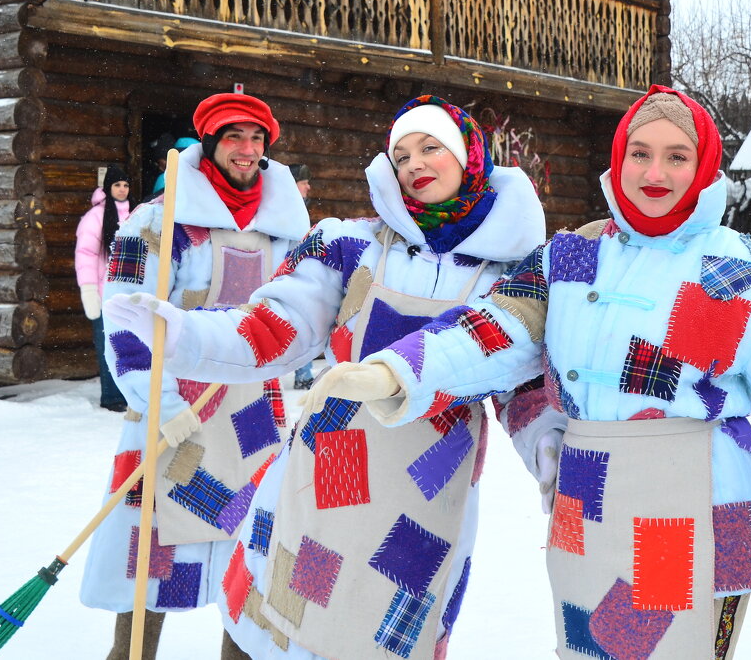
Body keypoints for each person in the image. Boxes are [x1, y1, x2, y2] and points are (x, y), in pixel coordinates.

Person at [301, 86, 751, 660]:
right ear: (618, 160)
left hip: (691, 506)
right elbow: (493, 330)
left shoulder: (738, 269)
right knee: (588, 651)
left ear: (703, 166)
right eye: (640, 153)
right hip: (589, 504)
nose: (654, 172)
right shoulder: (570, 256)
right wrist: (397, 371)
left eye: (676, 156)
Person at [103, 96, 546, 659]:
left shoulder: (517, 270)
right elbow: (271, 329)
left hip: (428, 484)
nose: (414, 163)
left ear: (469, 156)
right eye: (401, 153)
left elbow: (524, 383)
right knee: (276, 617)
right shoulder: (349, 245)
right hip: (326, 457)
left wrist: (553, 457)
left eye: (430, 147)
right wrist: (185, 336)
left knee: (381, 629)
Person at [80, 93, 309, 660]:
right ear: (210, 144)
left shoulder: (284, 226)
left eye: (258, 139)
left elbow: (306, 310)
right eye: (235, 137)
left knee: (249, 547)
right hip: (172, 407)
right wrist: (156, 401)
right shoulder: (160, 220)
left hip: (254, 414)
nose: (247, 150)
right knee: (152, 548)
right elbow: (125, 313)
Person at [75, 164, 136, 411]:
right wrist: (89, 291)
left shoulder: (137, 213)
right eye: (117, 185)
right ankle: (112, 397)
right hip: (104, 293)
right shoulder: (96, 216)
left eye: (125, 185)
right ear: (108, 188)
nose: (122, 190)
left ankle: (131, 394)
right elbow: (86, 255)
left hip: (130, 293)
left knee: (130, 345)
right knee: (108, 346)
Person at [288, 163, 316, 390]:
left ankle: (304, 374)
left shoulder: (299, 207)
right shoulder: (283, 208)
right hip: (284, 273)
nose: (308, 186)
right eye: (303, 182)